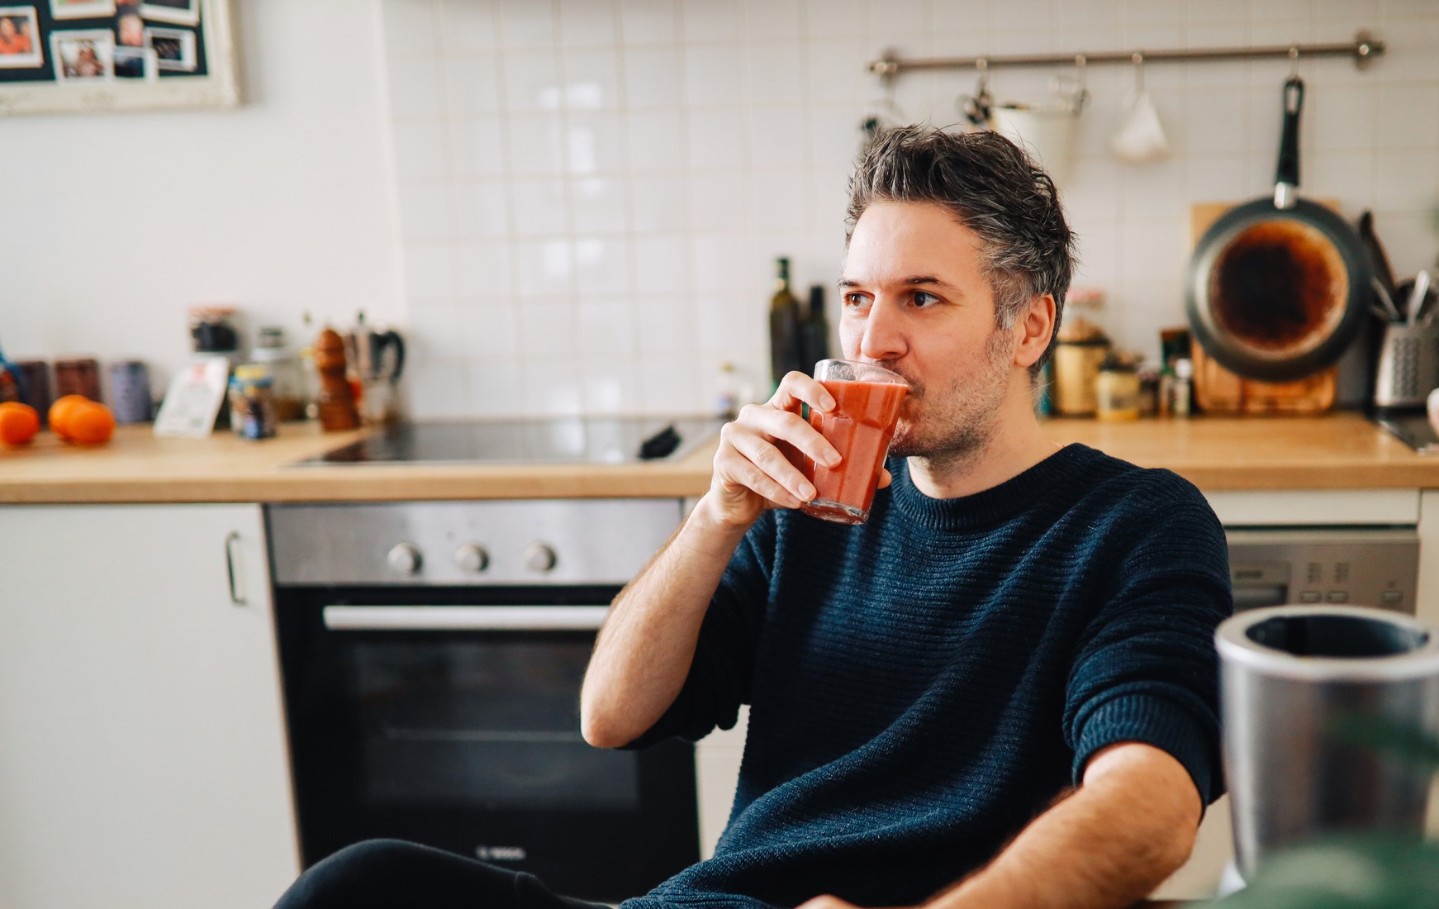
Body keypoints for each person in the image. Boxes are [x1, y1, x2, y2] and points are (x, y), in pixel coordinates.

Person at [271, 125, 1231, 909]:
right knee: (357, 887)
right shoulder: (803, 500)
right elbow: (610, 715)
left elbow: (1148, 805)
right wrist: (718, 513)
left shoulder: (1133, 524)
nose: (871, 340)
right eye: (855, 297)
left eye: (921, 299)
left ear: (1028, 327)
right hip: (711, 902)